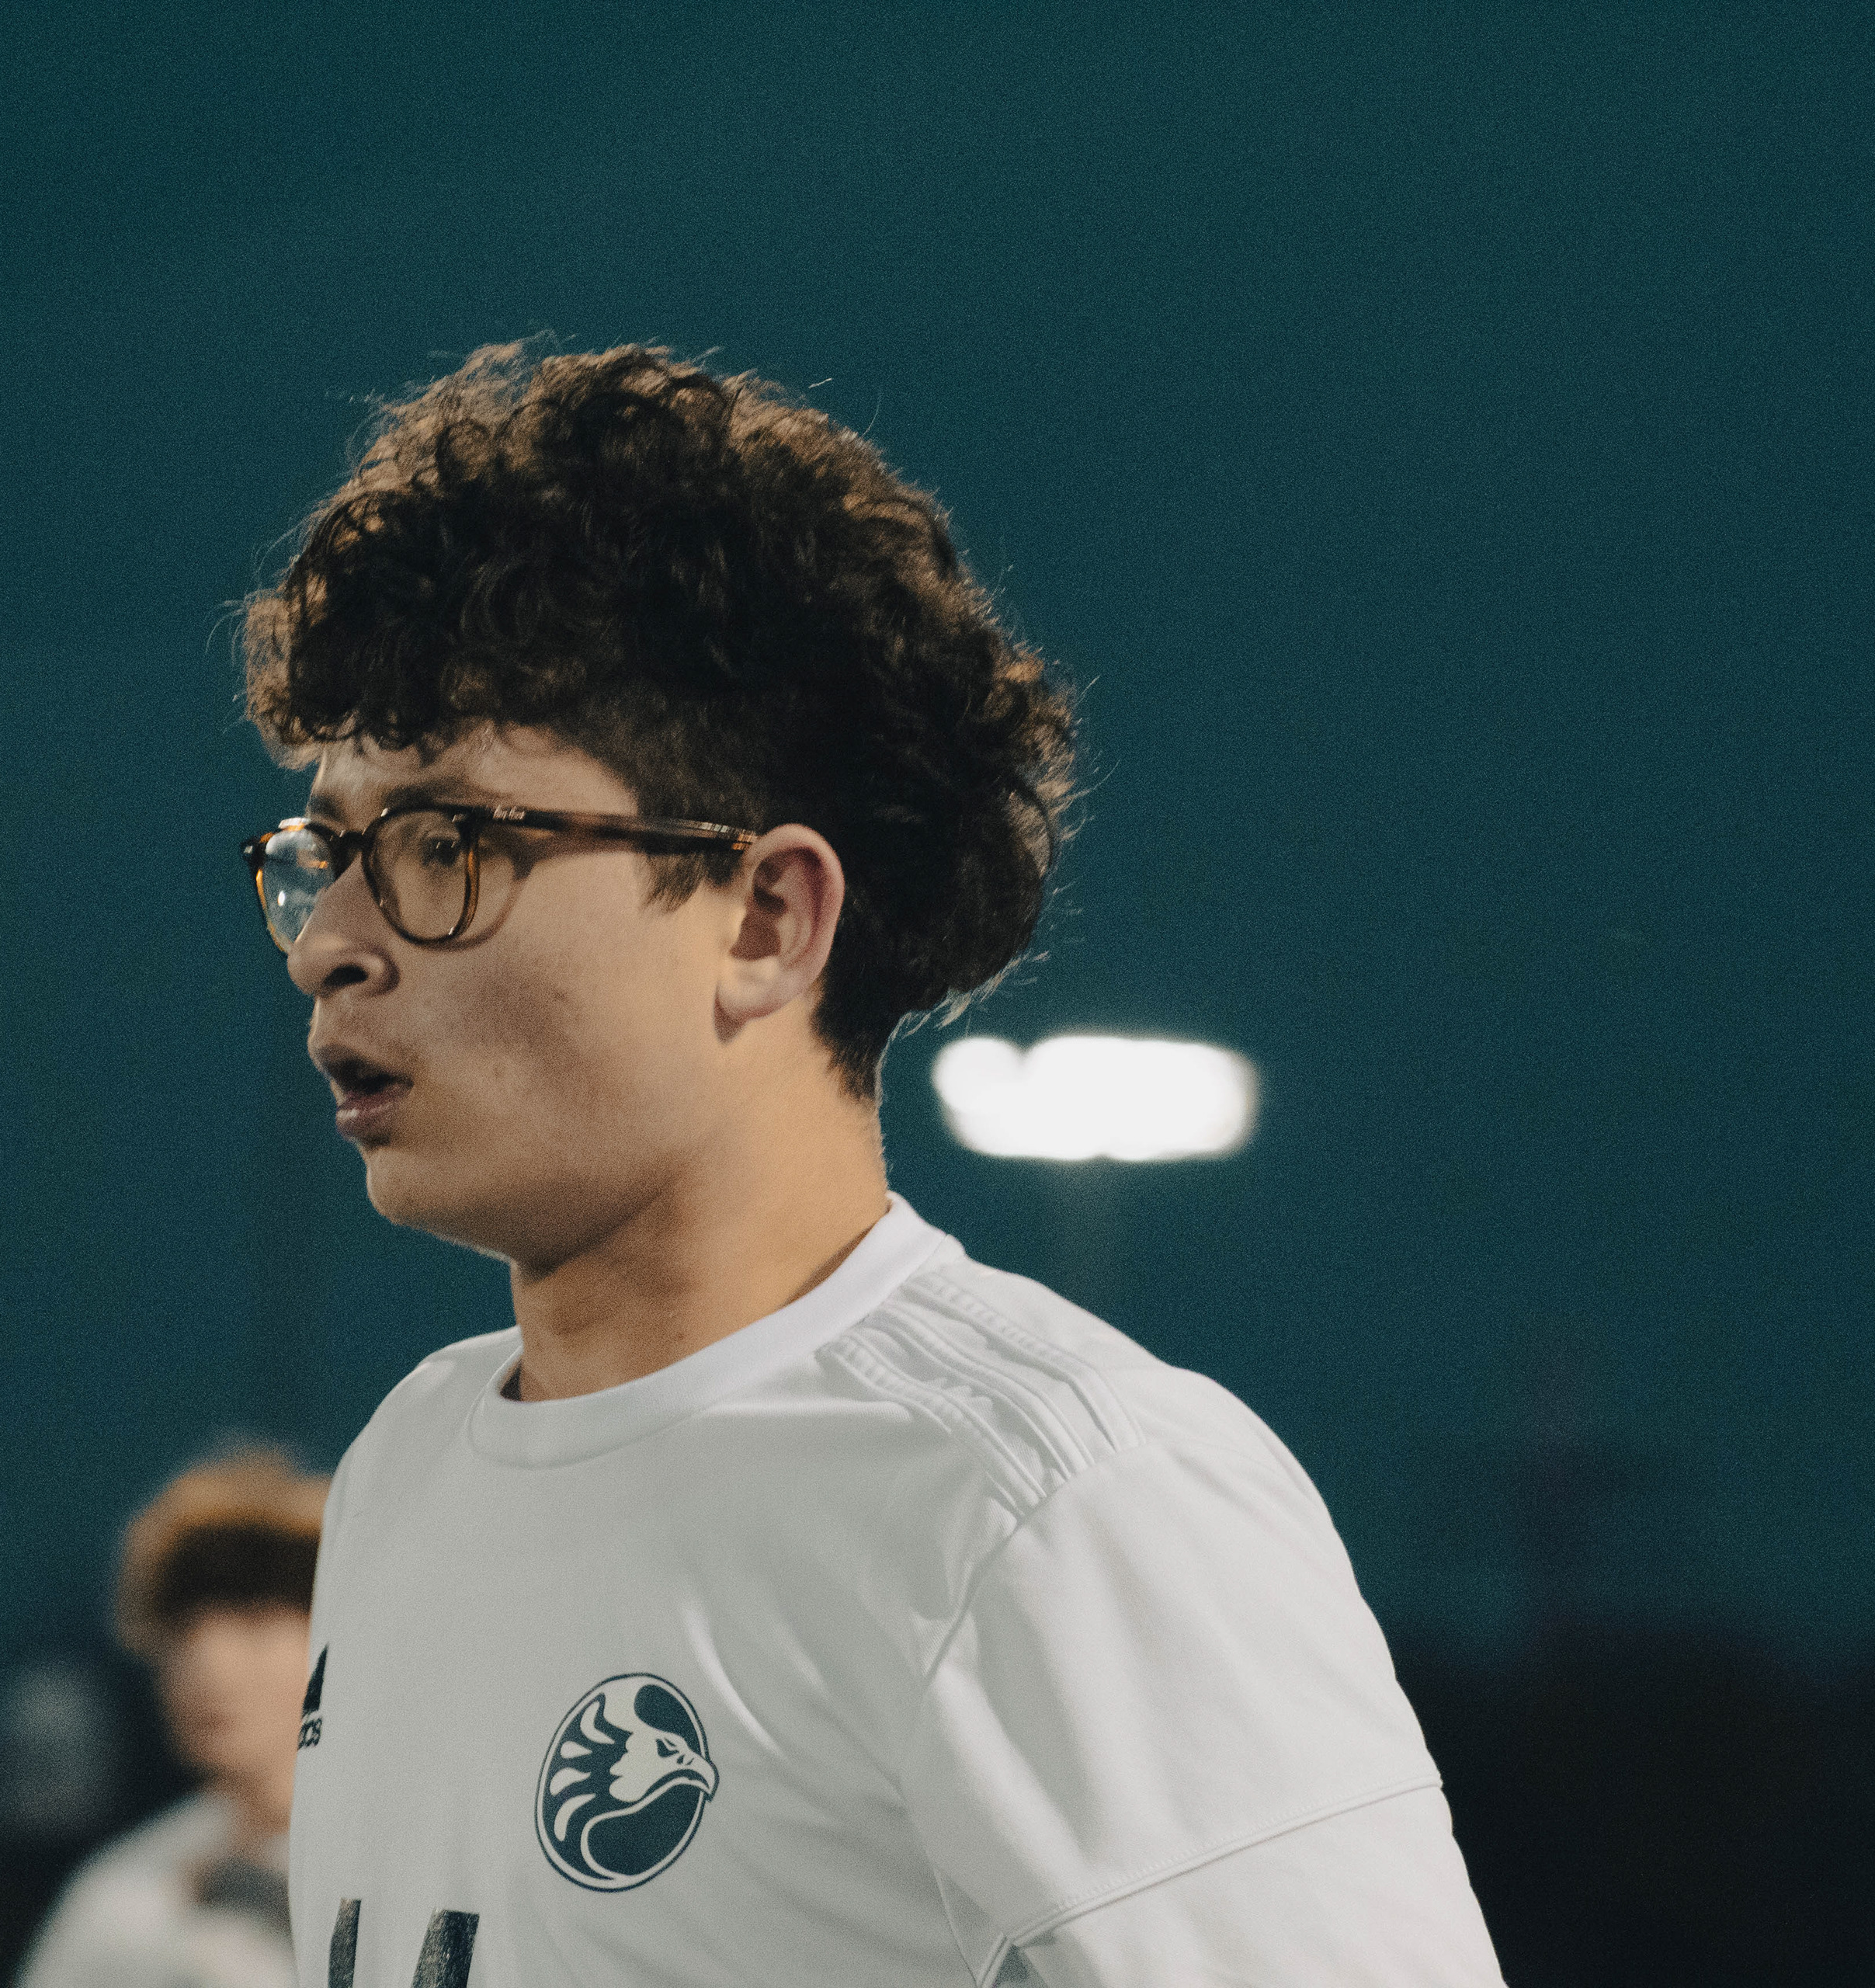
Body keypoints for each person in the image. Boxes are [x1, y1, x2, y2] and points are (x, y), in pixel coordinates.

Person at [238, 344, 1505, 1987]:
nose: (328, 942)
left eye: (445, 843)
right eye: (324, 850)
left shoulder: (1044, 1501)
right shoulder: (408, 1467)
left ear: (766, 919)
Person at [19, 1450, 328, 1988]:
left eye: (254, 1622)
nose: (210, 1665)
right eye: (184, 1630)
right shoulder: (124, 1897)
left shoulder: (420, 1867)